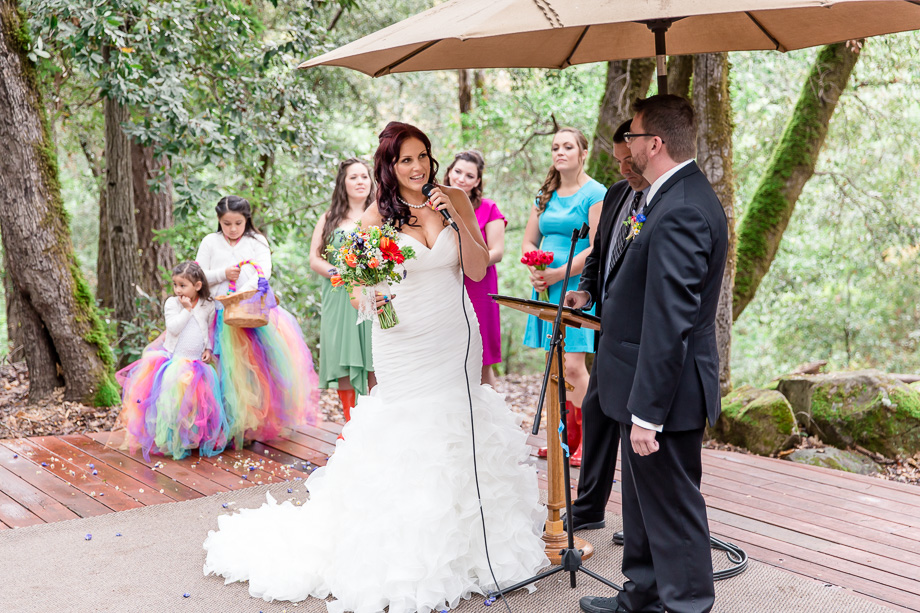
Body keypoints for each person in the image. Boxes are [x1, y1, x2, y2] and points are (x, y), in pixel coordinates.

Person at [203, 122, 548, 613]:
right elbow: (365, 289)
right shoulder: (374, 218)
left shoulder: (455, 199)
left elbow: (475, 268)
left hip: (455, 331)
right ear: (390, 165)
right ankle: (409, 549)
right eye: (407, 159)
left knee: (456, 424)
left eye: (424, 156)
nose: (418, 167)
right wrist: (380, 303)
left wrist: (456, 220)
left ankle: (467, 541)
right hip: (403, 339)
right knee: (409, 432)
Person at [577, 96, 728, 613]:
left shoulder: (683, 208)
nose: (628, 147)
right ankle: (641, 597)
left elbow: (671, 322)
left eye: (634, 137)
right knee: (642, 507)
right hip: (634, 379)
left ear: (655, 143)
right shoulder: (661, 197)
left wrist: (648, 413)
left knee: (674, 511)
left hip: (665, 392)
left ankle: (686, 605)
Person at [564, 119, 651, 533]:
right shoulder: (617, 195)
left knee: (630, 425)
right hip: (607, 332)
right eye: (617, 161)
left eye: (627, 161)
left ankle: (639, 519)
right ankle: (589, 507)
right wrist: (584, 292)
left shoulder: (662, 200)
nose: (622, 170)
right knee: (596, 414)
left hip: (643, 338)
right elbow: (599, 255)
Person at [196, 195, 319, 447]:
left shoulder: (257, 241)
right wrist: (223, 274)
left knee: (254, 368)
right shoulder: (210, 242)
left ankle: (251, 424)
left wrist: (241, 294)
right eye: (226, 223)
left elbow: (264, 272)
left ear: (247, 220)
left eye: (238, 223)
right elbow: (198, 274)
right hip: (217, 313)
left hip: (250, 312)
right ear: (219, 221)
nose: (232, 229)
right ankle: (222, 424)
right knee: (221, 368)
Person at [522, 127, 605, 466]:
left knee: (572, 366)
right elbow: (529, 241)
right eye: (555, 147)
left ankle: (591, 439)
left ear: (582, 152)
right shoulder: (545, 194)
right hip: (545, 286)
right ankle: (562, 439)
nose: (560, 152)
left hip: (575, 288)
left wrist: (559, 273)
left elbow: (597, 247)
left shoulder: (595, 193)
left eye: (568, 146)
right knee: (552, 365)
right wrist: (535, 267)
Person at [117, 262, 230, 461]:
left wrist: (208, 349)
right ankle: (173, 440)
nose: (178, 289)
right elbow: (174, 328)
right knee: (172, 404)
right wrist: (186, 310)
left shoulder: (208, 305)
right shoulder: (172, 303)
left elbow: (209, 331)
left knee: (195, 404)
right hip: (174, 363)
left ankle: (193, 439)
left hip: (197, 364)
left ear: (197, 286)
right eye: (175, 285)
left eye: (182, 285)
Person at [309, 158, 377, 424]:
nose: (360, 181)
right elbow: (314, 258)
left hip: (371, 293)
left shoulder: (380, 214)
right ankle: (351, 424)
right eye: (353, 177)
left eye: (364, 176)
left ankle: (372, 421)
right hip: (338, 295)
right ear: (343, 183)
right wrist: (339, 273)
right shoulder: (329, 218)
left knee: (372, 356)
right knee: (344, 358)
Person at [443, 150, 506, 387]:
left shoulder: (489, 208)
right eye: (458, 171)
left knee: (481, 357)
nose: (461, 179)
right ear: (449, 172)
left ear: (477, 181)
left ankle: (490, 417)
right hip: (446, 283)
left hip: (480, 286)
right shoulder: (434, 206)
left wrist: (469, 262)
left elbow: (497, 251)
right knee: (449, 355)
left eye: (469, 176)